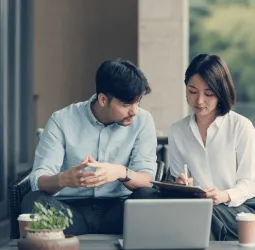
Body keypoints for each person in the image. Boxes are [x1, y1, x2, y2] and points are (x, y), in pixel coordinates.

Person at [21, 59, 159, 235]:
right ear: (103, 99)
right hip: (70, 213)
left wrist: (120, 172)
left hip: (119, 211)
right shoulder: (61, 120)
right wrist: (64, 179)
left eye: (137, 102)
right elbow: (38, 180)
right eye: (126, 105)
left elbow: (147, 179)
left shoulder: (143, 120)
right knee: (33, 200)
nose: (134, 111)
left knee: (149, 196)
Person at [168, 54, 255, 241]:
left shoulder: (241, 126)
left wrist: (223, 195)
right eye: (192, 91)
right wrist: (179, 185)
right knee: (195, 214)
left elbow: (247, 183)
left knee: (204, 216)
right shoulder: (177, 130)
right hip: (197, 208)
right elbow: (178, 179)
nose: (199, 101)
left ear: (221, 92)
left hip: (242, 208)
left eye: (209, 93)